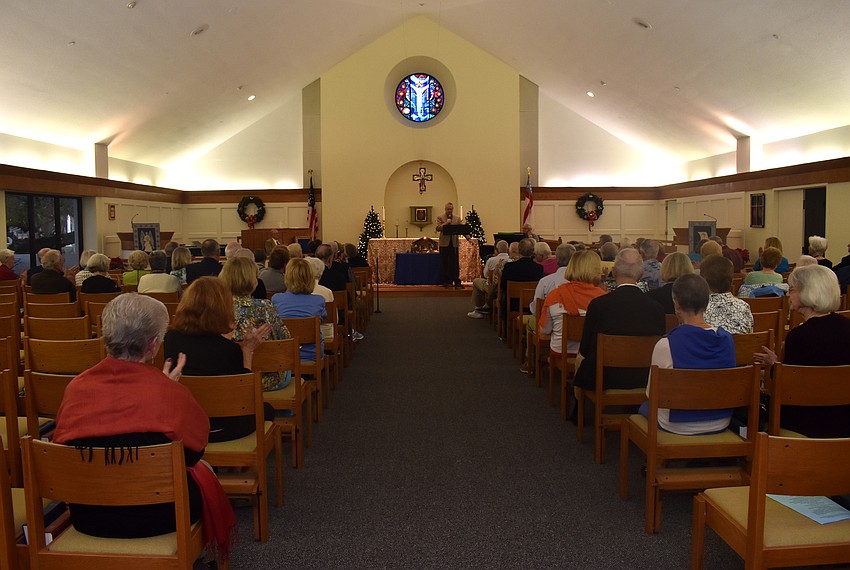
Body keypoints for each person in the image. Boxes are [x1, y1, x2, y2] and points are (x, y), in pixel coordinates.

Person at [53, 293, 236, 558]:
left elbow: (65, 448)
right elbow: (195, 453)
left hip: (90, 515)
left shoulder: (76, 388)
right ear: (152, 345)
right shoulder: (169, 393)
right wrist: (166, 390)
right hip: (163, 514)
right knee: (202, 470)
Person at [164, 277, 271, 442]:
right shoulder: (229, 350)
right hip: (223, 428)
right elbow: (245, 398)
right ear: (223, 308)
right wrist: (247, 351)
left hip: (186, 425)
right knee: (267, 409)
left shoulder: (170, 339)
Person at [755, 265, 850, 438]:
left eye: (791, 290)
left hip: (805, 424)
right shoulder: (847, 327)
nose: (787, 295)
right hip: (844, 421)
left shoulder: (799, 336)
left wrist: (774, 366)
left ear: (809, 292)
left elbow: (789, 390)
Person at [639, 274, 736, 435]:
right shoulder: (727, 340)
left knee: (643, 407)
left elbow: (652, 394)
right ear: (707, 302)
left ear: (677, 304)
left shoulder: (666, 344)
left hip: (675, 425)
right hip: (720, 420)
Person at [573, 248, 666, 392]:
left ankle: (578, 410)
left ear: (614, 272)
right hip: (643, 377)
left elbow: (585, 349)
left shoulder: (599, 305)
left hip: (604, 376)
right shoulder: (657, 308)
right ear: (640, 274)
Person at [219, 256, 291, 391]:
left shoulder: (217, 309)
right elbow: (285, 339)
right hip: (266, 376)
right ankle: (283, 410)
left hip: (228, 377)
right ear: (253, 282)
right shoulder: (265, 307)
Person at [539, 250, 606, 360]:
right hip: (592, 353)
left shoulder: (556, 294)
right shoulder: (603, 298)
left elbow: (545, 329)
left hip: (560, 350)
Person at [272, 258, 327, 362]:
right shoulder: (319, 301)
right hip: (312, 354)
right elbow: (322, 319)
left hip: (285, 354)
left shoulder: (276, 299)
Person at [701, 254, 753, 334]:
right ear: (731, 280)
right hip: (741, 346)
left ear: (704, 280)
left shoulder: (698, 310)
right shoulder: (744, 306)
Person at [498, 238, 544, 325]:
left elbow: (503, 286)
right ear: (533, 251)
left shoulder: (509, 267)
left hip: (512, 304)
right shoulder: (539, 268)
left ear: (519, 250)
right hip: (531, 303)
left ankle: (504, 325)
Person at [468, 240, 510, 317]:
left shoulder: (491, 260)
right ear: (508, 249)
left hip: (491, 286)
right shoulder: (511, 260)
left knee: (476, 281)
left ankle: (478, 310)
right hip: (507, 288)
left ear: (496, 249)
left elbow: (485, 274)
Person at [435, 202, 465, 288]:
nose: (449, 211)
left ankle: (455, 279)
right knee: (445, 262)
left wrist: (468, 238)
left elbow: (461, 229)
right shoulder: (440, 217)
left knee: (454, 262)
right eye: (448, 209)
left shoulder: (457, 218)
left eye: (451, 209)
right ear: (445, 209)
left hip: (454, 243)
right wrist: (446, 223)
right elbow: (437, 228)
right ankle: (445, 280)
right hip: (444, 244)